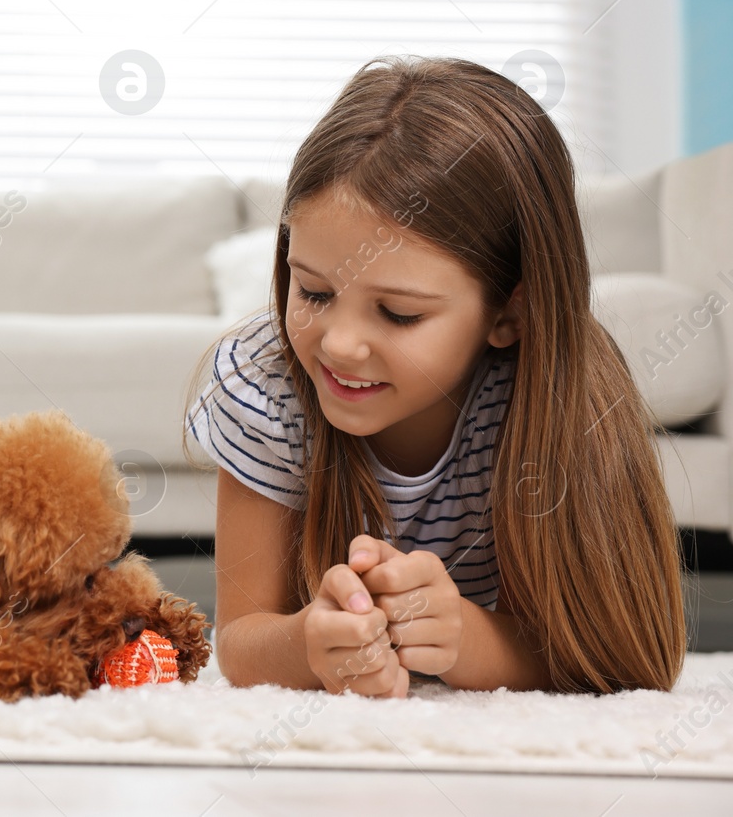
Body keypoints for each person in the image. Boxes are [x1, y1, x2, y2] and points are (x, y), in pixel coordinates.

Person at [187, 56, 685, 696]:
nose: (338, 344)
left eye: (397, 313)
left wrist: (468, 640)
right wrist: (309, 644)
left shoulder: (566, 394)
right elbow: (241, 642)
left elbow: (626, 658)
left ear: (512, 311)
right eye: (312, 291)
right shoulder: (266, 389)